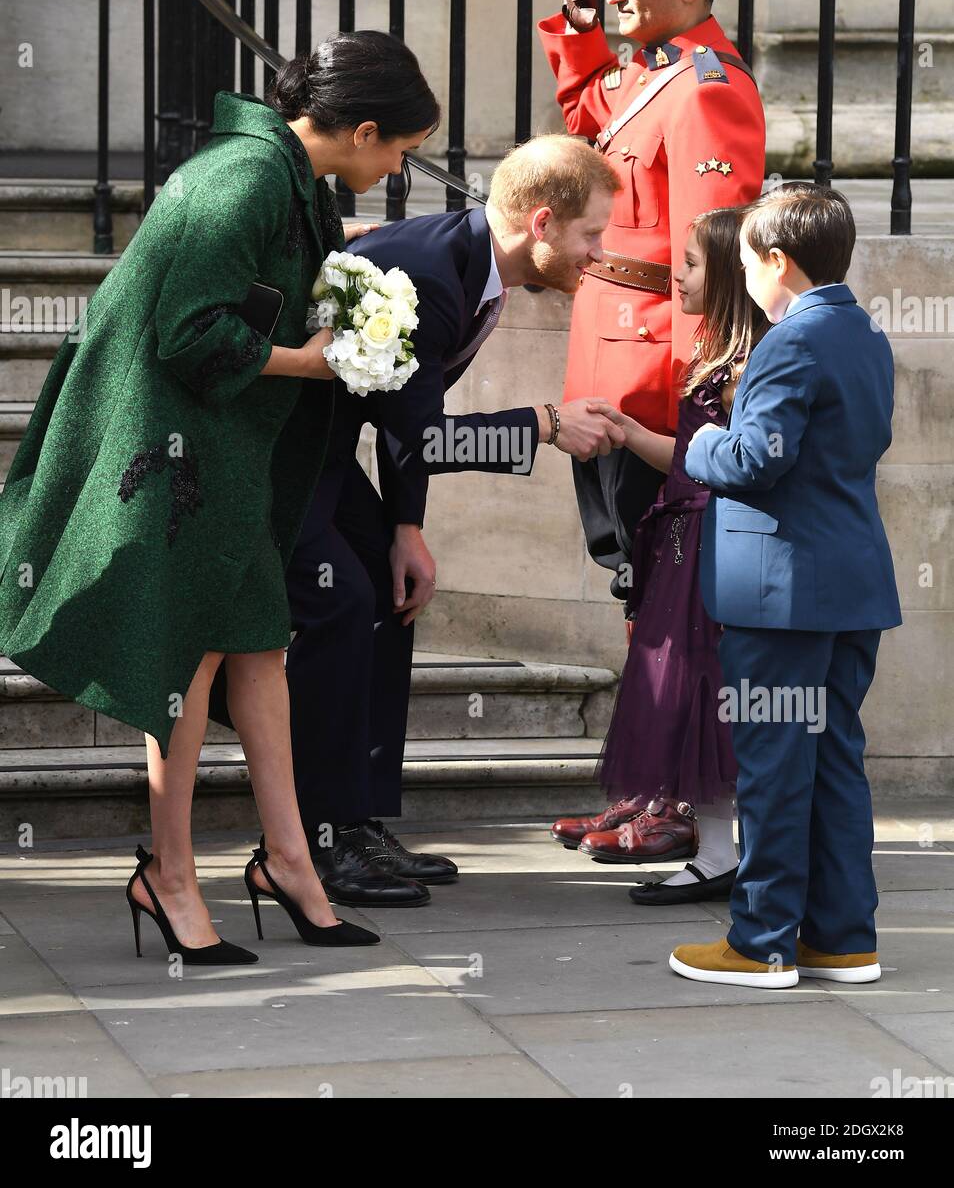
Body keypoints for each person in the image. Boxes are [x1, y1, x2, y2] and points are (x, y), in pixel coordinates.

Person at [0, 30, 439, 962]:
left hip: (221, 452)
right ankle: (169, 875)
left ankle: (290, 862)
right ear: (362, 130)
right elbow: (188, 335)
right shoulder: (246, 177)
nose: (398, 168)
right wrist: (319, 363)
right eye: (399, 150)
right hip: (174, 454)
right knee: (191, 660)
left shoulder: (285, 176)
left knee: (257, 652)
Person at [282, 135, 628, 908]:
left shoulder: (474, 266)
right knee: (343, 608)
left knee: (388, 592)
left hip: (331, 455)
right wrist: (543, 422)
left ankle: (357, 821)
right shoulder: (435, 277)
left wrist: (407, 529)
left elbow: (406, 414)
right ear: (541, 223)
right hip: (282, 458)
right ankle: (315, 839)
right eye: (592, 235)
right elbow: (428, 435)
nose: (599, 254)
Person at [669, 182, 901, 989]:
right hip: (849, 586)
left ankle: (761, 940)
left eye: (745, 261)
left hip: (782, 594)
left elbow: (752, 461)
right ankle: (842, 939)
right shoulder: (863, 332)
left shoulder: (790, 341)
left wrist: (697, 441)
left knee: (773, 764)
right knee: (834, 759)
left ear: (777, 261)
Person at [537, 0, 768, 604]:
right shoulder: (649, 74)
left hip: (654, 387)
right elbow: (586, 115)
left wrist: (698, 396)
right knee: (631, 569)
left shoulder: (707, 90)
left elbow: (715, 259)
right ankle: (652, 719)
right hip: (607, 371)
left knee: (660, 575)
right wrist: (580, 30)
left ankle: (663, 721)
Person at [568, 207, 767, 901]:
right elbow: (689, 458)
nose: (673, 274)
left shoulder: (751, 362)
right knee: (687, 699)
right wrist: (626, 431)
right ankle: (716, 852)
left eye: (688, 263)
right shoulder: (716, 351)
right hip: (687, 545)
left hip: (718, 551)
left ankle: (726, 855)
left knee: (711, 698)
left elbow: (734, 466)